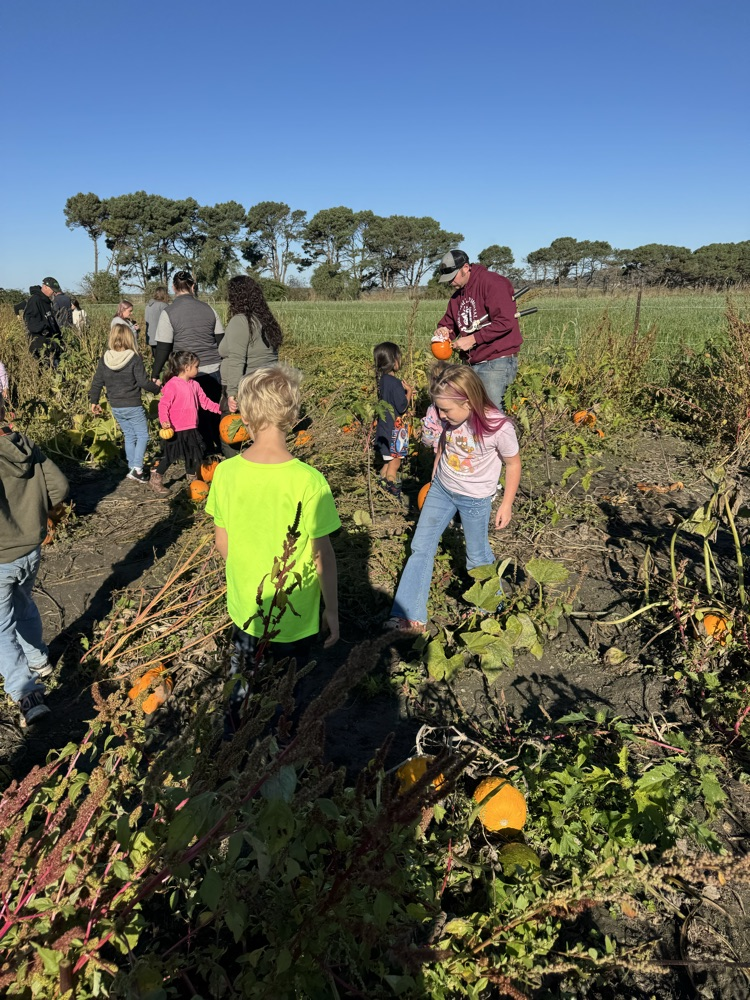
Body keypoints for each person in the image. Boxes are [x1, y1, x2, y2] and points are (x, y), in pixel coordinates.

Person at [206, 365, 340, 738]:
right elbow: (322, 556)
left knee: (242, 680)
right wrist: (331, 609)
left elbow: (223, 544)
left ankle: (231, 744)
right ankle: (281, 747)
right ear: (294, 418)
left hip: (246, 607)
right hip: (296, 615)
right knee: (290, 690)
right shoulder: (311, 481)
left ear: (244, 417)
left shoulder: (226, 474)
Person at [385, 365, 521, 632]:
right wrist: (437, 462)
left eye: (446, 410)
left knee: (477, 556)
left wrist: (506, 503)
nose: (441, 415)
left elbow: (513, 464)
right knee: (421, 546)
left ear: (469, 401)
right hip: (442, 489)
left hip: (475, 500)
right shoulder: (451, 418)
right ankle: (410, 615)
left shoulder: (498, 427)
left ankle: (491, 609)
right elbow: (447, 440)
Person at [0, 396, 69, 727]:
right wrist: (41, 516)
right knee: (23, 602)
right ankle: (39, 660)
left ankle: (27, 692)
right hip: (32, 548)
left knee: (0, 625)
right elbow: (59, 485)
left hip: (0, 557)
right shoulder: (24, 445)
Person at [434, 249, 522, 410]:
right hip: (471, 362)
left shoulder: (493, 283)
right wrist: (444, 330)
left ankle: (505, 436)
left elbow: (505, 321)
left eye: (452, 277)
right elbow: (449, 322)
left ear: (465, 268)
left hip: (496, 360)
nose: (450, 283)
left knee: (491, 413)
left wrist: (473, 339)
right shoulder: (457, 297)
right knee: (473, 412)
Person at [152, 271, 225, 451]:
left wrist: (155, 373)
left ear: (173, 288)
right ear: (193, 287)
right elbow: (221, 342)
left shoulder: (168, 313)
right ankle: (223, 450)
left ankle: (204, 456)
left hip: (186, 375)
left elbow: (163, 348)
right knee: (215, 413)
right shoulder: (209, 309)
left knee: (194, 417)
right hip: (214, 369)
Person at [89, 323, 161, 483]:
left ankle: (132, 468)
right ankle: (138, 469)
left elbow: (97, 382)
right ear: (130, 338)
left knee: (129, 435)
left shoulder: (105, 358)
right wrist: (156, 388)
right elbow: (142, 382)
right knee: (142, 435)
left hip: (116, 405)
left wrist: (94, 401)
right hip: (132, 403)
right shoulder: (134, 358)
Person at [151, 350, 222, 495]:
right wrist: (165, 421)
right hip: (175, 429)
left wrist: (220, 409)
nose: (198, 369)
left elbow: (205, 402)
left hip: (191, 427)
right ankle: (156, 478)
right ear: (186, 367)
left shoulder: (195, 385)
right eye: (196, 366)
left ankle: (192, 481)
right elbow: (163, 405)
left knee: (192, 455)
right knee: (170, 456)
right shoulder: (172, 385)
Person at [220, 275, 283, 414]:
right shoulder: (265, 320)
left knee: (234, 432)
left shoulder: (240, 321)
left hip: (246, 388)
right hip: (265, 385)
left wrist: (232, 393)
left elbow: (237, 360)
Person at [373, 342, 413, 499]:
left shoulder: (381, 380)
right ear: (394, 361)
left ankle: (380, 486)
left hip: (384, 427)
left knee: (388, 461)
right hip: (396, 429)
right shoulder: (396, 384)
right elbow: (402, 407)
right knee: (395, 464)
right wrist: (408, 393)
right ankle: (392, 491)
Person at [23, 280, 63, 359]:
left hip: (50, 341)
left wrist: (58, 336)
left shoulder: (47, 301)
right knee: (46, 366)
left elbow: (51, 320)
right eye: (53, 290)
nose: (54, 293)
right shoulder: (35, 300)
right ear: (45, 287)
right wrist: (44, 327)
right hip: (40, 343)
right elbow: (30, 321)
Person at [144, 286, 169, 357]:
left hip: (151, 338)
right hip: (162, 339)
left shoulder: (148, 306)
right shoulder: (163, 305)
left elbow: (147, 320)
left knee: (156, 360)